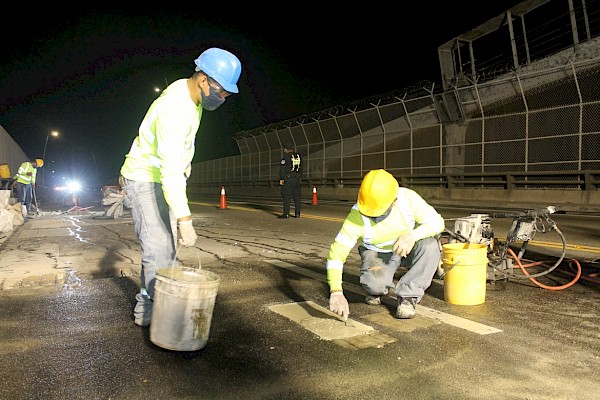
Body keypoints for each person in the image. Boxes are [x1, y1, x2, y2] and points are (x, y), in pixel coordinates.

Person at [119, 47, 242, 327]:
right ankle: (149, 313)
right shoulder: (175, 108)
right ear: (203, 79)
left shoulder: (191, 96)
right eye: (221, 91)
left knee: (164, 249)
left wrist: (185, 164)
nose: (222, 98)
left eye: (227, 94)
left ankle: (160, 302)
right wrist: (185, 219)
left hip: (160, 175)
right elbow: (170, 171)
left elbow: (181, 150)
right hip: (146, 179)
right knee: (159, 248)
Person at [326, 169, 445, 320]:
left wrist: (412, 236)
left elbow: (438, 222)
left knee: (429, 246)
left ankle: (409, 295)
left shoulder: (408, 199)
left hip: (407, 247)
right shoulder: (356, 215)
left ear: (394, 201)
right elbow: (337, 254)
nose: (373, 215)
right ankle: (378, 286)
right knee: (374, 285)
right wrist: (336, 291)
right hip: (377, 252)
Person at [278, 142, 302, 218]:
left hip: (288, 179)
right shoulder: (299, 156)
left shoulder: (285, 158)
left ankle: (286, 213)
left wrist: (281, 178)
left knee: (287, 196)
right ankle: (297, 213)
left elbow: (282, 169)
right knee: (297, 197)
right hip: (297, 179)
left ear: (286, 149)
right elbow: (302, 168)